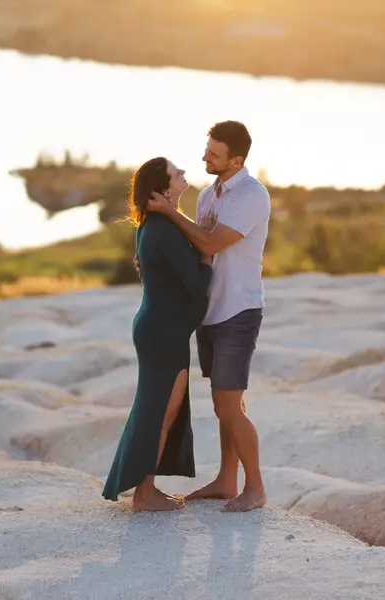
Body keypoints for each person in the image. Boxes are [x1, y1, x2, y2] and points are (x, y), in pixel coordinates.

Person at [139, 120, 271, 512]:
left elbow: (211, 242)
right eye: (206, 149)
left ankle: (256, 489)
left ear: (236, 160)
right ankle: (227, 480)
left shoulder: (251, 196)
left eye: (214, 154)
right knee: (226, 404)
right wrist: (152, 256)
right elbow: (195, 245)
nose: (204, 158)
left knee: (228, 404)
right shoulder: (208, 196)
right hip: (210, 313)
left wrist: (168, 211)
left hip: (238, 310)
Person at [102, 157, 213, 512]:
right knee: (162, 410)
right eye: (176, 173)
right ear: (163, 189)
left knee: (160, 409)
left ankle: (146, 488)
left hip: (162, 327)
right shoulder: (163, 230)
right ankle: (144, 493)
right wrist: (208, 260)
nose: (183, 174)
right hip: (162, 331)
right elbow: (196, 286)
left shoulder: (159, 224)